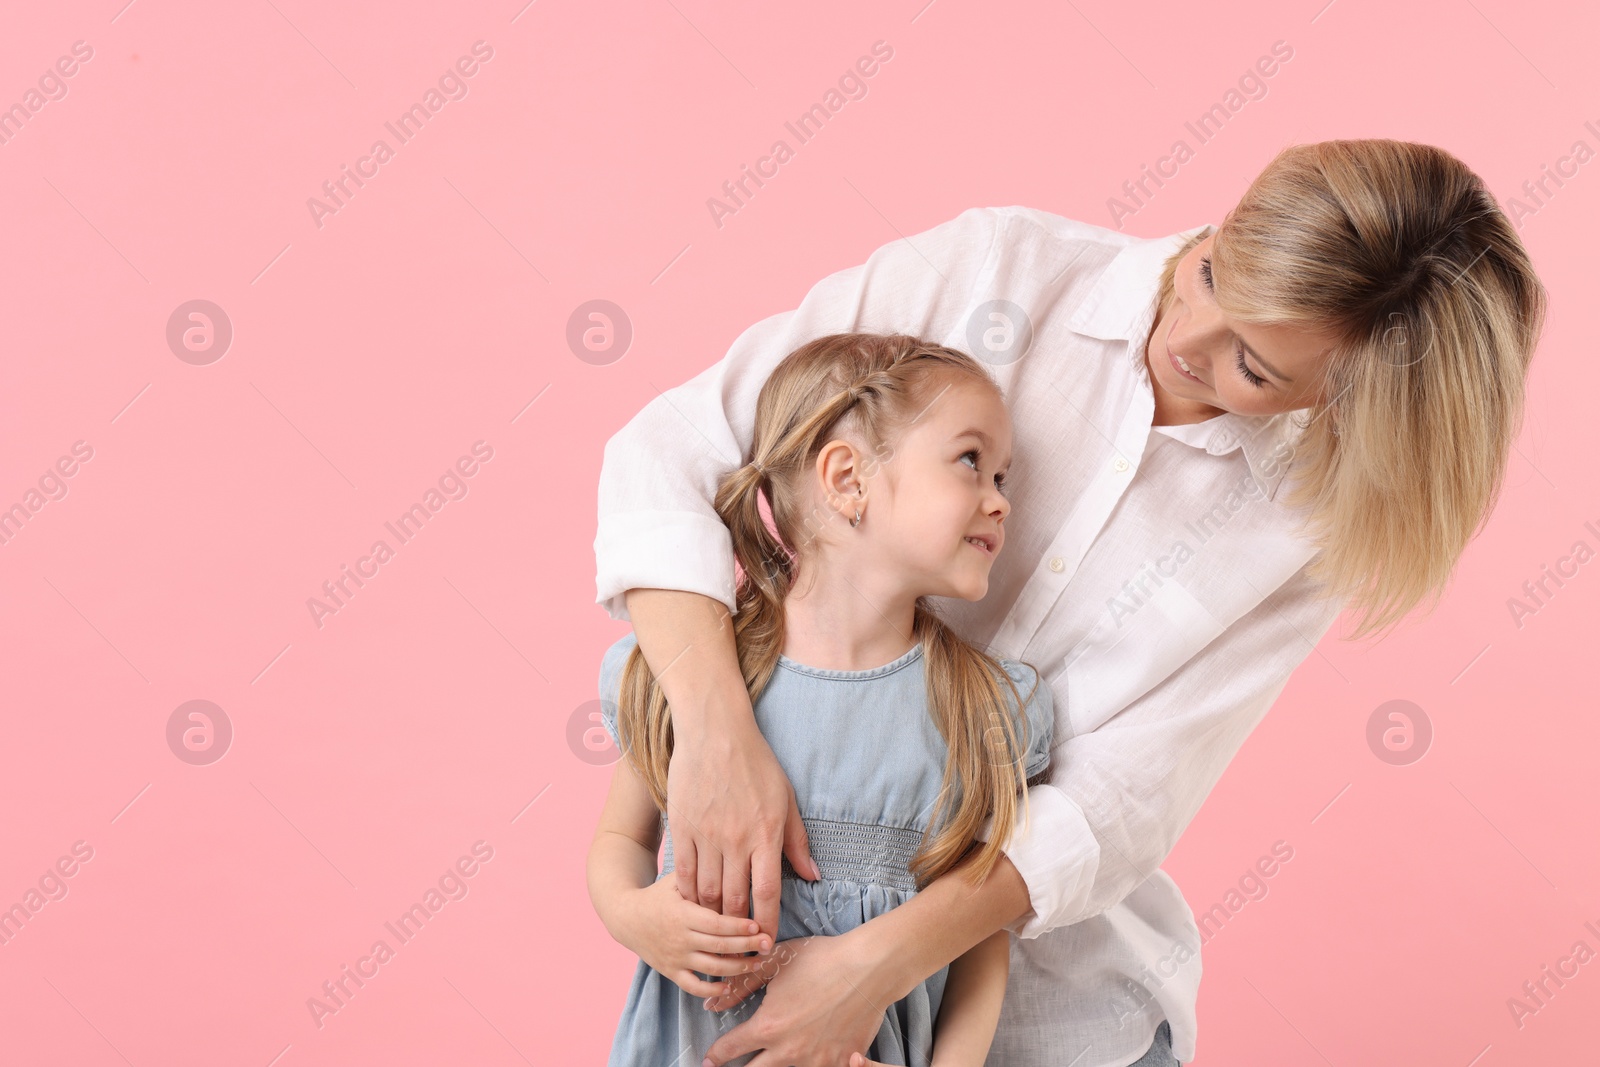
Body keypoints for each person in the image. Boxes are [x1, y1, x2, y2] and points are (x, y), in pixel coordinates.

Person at [592, 140, 1547, 1067]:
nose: (1182, 339)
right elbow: (671, 452)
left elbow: (1110, 803)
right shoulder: (995, 267)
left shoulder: (1305, 526)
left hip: (1067, 1021)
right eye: (1212, 271)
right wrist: (718, 738)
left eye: (1253, 367)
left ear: (1345, 399)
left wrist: (868, 973)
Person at [587, 333, 1057, 1066]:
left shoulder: (981, 709)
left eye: (1004, 476)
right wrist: (632, 913)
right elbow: (620, 839)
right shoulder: (699, 675)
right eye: (972, 461)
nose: (999, 501)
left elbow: (978, 934)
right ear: (847, 477)